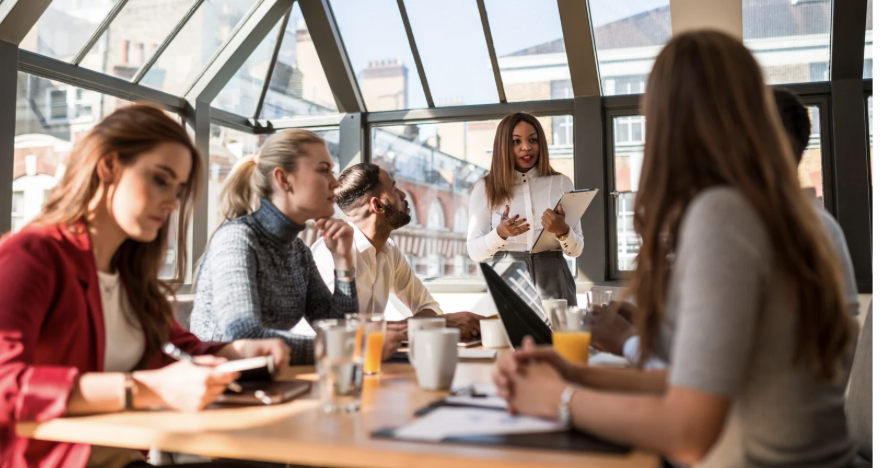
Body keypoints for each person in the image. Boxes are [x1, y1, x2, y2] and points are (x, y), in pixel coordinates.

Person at [494, 31, 857, 467]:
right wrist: (575, 373)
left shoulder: (724, 213)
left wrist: (559, 398)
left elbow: (687, 433)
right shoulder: (785, 213)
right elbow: (697, 384)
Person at [0, 105, 290, 468]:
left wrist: (238, 352)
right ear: (108, 166)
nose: (171, 202)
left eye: (178, 189)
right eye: (160, 179)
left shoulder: (129, 272)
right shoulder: (31, 255)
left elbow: (175, 350)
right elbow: (6, 384)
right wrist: (145, 388)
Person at [590, 87, 862, 367]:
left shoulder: (745, 228)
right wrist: (649, 331)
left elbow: (705, 376)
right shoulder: (824, 227)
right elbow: (743, 345)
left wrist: (628, 342)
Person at [190, 130, 379, 365]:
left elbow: (335, 326)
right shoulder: (237, 238)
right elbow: (245, 337)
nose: (335, 182)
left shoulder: (298, 250)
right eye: (323, 170)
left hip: (269, 382)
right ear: (283, 179)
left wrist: (343, 262)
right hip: (221, 389)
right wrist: (348, 347)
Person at [311, 163, 484, 339]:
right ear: (377, 206)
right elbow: (338, 334)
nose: (403, 195)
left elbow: (429, 307)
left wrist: (411, 328)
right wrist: (423, 327)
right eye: (394, 190)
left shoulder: (389, 250)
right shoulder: (330, 253)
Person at [466, 112, 583, 304]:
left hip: (555, 279)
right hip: (507, 279)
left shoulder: (562, 183)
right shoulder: (485, 187)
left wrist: (563, 231)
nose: (526, 147)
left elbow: (576, 250)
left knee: (560, 334)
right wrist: (500, 234)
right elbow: (473, 250)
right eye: (516, 141)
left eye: (533, 140)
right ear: (503, 146)